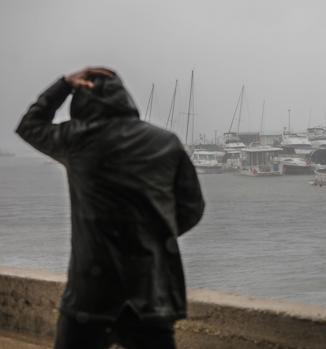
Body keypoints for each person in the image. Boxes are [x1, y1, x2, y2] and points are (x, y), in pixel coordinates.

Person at [16, 67, 205, 349]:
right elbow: (192, 208)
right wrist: (152, 236)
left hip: (90, 293)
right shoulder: (166, 143)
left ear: (81, 102)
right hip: (151, 291)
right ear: (125, 99)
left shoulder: (78, 139)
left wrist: (64, 84)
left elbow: (30, 125)